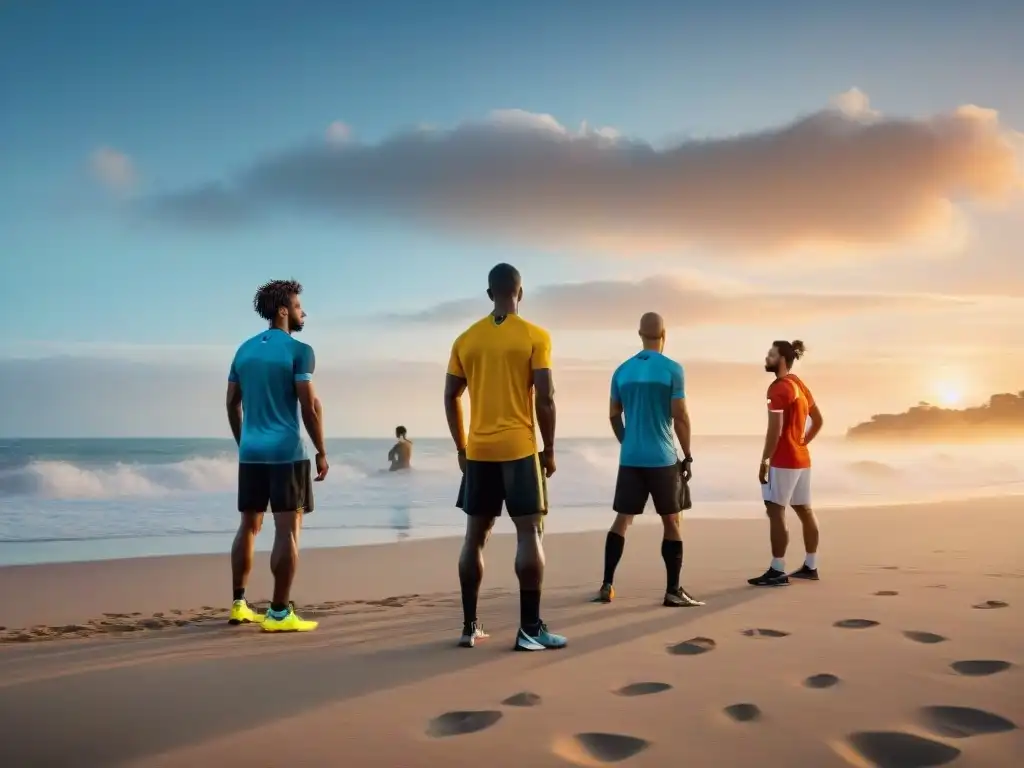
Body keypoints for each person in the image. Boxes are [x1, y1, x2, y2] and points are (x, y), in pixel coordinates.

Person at [444, 263, 566, 652]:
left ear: (489, 293)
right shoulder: (535, 336)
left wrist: (462, 448)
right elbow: (545, 397)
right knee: (528, 532)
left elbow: (450, 396)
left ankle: (469, 626)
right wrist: (549, 448)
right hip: (519, 448)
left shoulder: (466, 339)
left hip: (479, 451)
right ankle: (530, 628)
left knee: (474, 538)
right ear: (520, 293)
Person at [225, 279, 329, 632]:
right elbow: (309, 405)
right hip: (286, 452)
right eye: (299, 306)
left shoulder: (243, 350)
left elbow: (231, 404)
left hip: (251, 453)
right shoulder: (300, 351)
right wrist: (322, 451)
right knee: (287, 531)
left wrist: (245, 443)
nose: (303, 313)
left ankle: (239, 604)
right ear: (283, 310)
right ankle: (280, 613)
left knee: (248, 526)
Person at [597, 312, 704, 608]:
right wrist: (688, 455)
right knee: (671, 521)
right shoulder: (672, 370)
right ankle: (673, 590)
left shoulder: (621, 371)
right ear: (664, 334)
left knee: (623, 519)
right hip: (662, 458)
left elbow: (613, 414)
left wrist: (628, 440)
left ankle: (607, 584)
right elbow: (680, 416)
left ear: (639, 334)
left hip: (631, 457)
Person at [748, 339, 823, 587]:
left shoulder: (777, 388)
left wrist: (764, 461)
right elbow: (819, 420)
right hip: (802, 460)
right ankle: (811, 566)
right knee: (804, 509)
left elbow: (775, 430)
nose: (766, 358)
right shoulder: (798, 384)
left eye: (771, 355)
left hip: (783, 460)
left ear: (782, 360)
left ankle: (777, 570)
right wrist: (802, 443)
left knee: (775, 509)